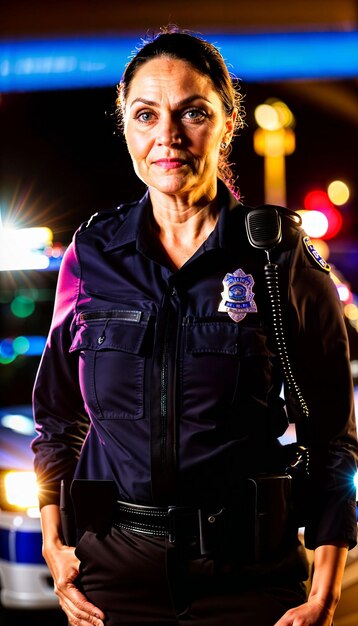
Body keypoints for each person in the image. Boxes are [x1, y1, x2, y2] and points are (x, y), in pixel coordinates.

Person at [32, 27, 358, 626]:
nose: (167, 137)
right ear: (126, 127)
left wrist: (325, 587)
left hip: (250, 577)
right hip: (114, 578)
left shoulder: (279, 256)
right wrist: (55, 541)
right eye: (146, 115)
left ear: (228, 124)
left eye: (193, 113)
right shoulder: (91, 254)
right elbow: (58, 416)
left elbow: (331, 435)